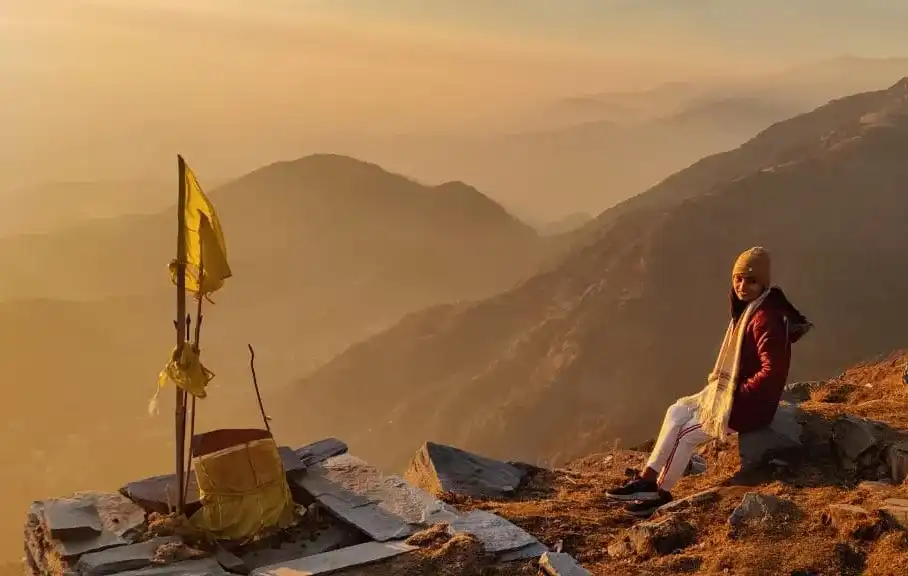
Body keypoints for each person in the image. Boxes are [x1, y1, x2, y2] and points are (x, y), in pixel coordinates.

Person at [606, 246, 813, 517]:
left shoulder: (765, 319)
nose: (742, 285)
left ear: (764, 282)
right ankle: (647, 478)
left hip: (750, 405)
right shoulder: (749, 310)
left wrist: (738, 398)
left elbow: (773, 371)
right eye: (738, 278)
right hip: (734, 395)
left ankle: (661, 492)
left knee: (686, 434)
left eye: (751, 280)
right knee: (677, 411)